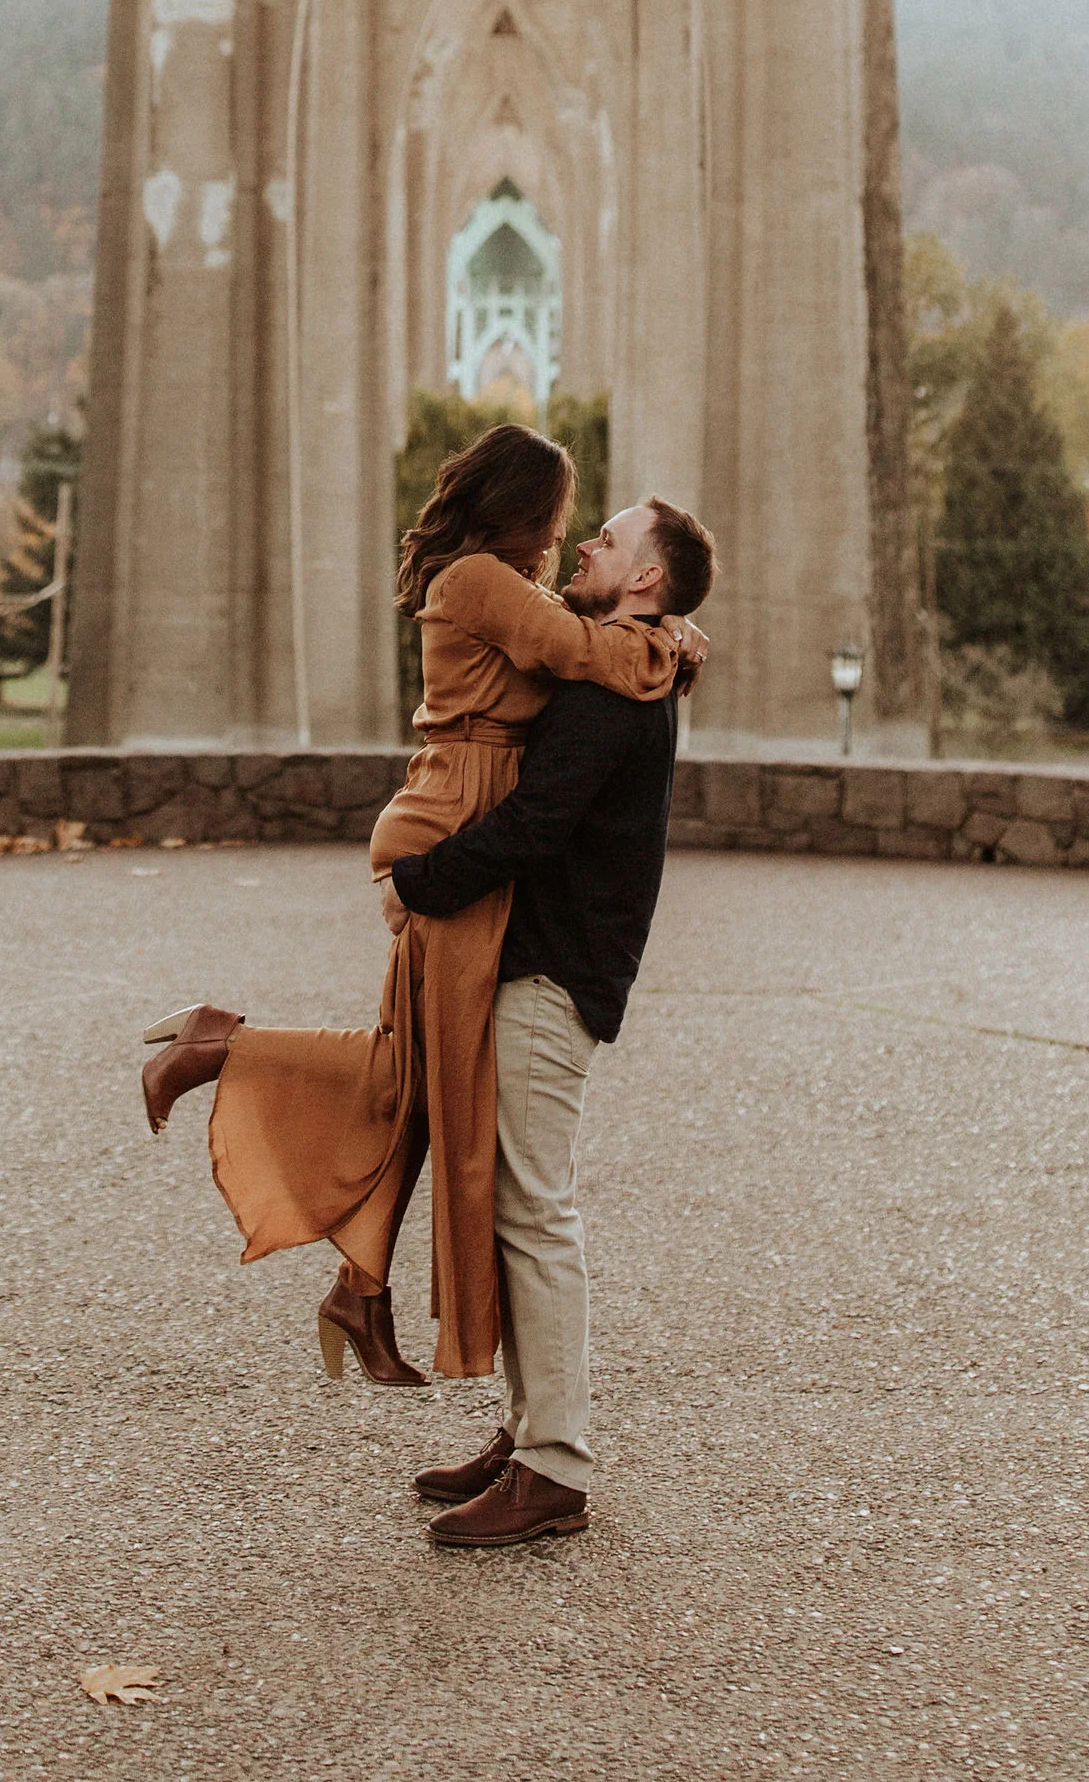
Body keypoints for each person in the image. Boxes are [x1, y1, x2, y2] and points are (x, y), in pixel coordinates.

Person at [137, 423, 704, 1388]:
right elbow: (580, 651)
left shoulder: (494, 582)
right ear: (523, 510)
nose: (572, 540)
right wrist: (670, 647)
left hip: (457, 820)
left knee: (420, 1075)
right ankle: (222, 1048)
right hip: (454, 831)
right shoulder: (484, 582)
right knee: (422, 1073)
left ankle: (360, 1289)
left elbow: (576, 645)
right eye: (567, 519)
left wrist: (664, 628)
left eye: (593, 533)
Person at [388, 491, 717, 1552]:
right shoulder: (628, 661)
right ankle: (529, 1431)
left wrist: (421, 880)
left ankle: (556, 1467)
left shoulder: (611, 690)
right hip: (550, 962)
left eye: (609, 540)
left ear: (649, 580)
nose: (585, 545)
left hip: (553, 971)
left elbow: (535, 825)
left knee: (535, 1208)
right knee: (518, 1202)